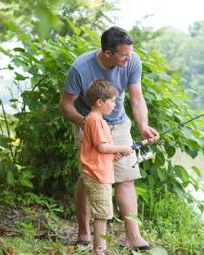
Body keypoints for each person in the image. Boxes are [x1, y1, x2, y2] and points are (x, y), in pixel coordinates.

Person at [59, 26, 159, 250]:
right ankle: (84, 231)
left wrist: (143, 125)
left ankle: (133, 236)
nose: (129, 57)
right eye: (124, 54)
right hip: (89, 122)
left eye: (129, 53)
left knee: (125, 176)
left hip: (119, 123)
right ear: (108, 53)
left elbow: (137, 98)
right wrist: (88, 125)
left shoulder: (132, 61)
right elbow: (66, 105)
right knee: (91, 178)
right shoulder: (81, 68)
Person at [80, 80, 133, 255]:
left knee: (103, 213)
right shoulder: (95, 121)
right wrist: (123, 148)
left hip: (99, 172)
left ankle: (99, 249)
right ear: (99, 102)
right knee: (102, 214)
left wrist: (113, 154)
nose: (115, 104)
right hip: (97, 174)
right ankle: (98, 250)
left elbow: (102, 149)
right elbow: (102, 147)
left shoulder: (97, 120)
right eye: (112, 101)